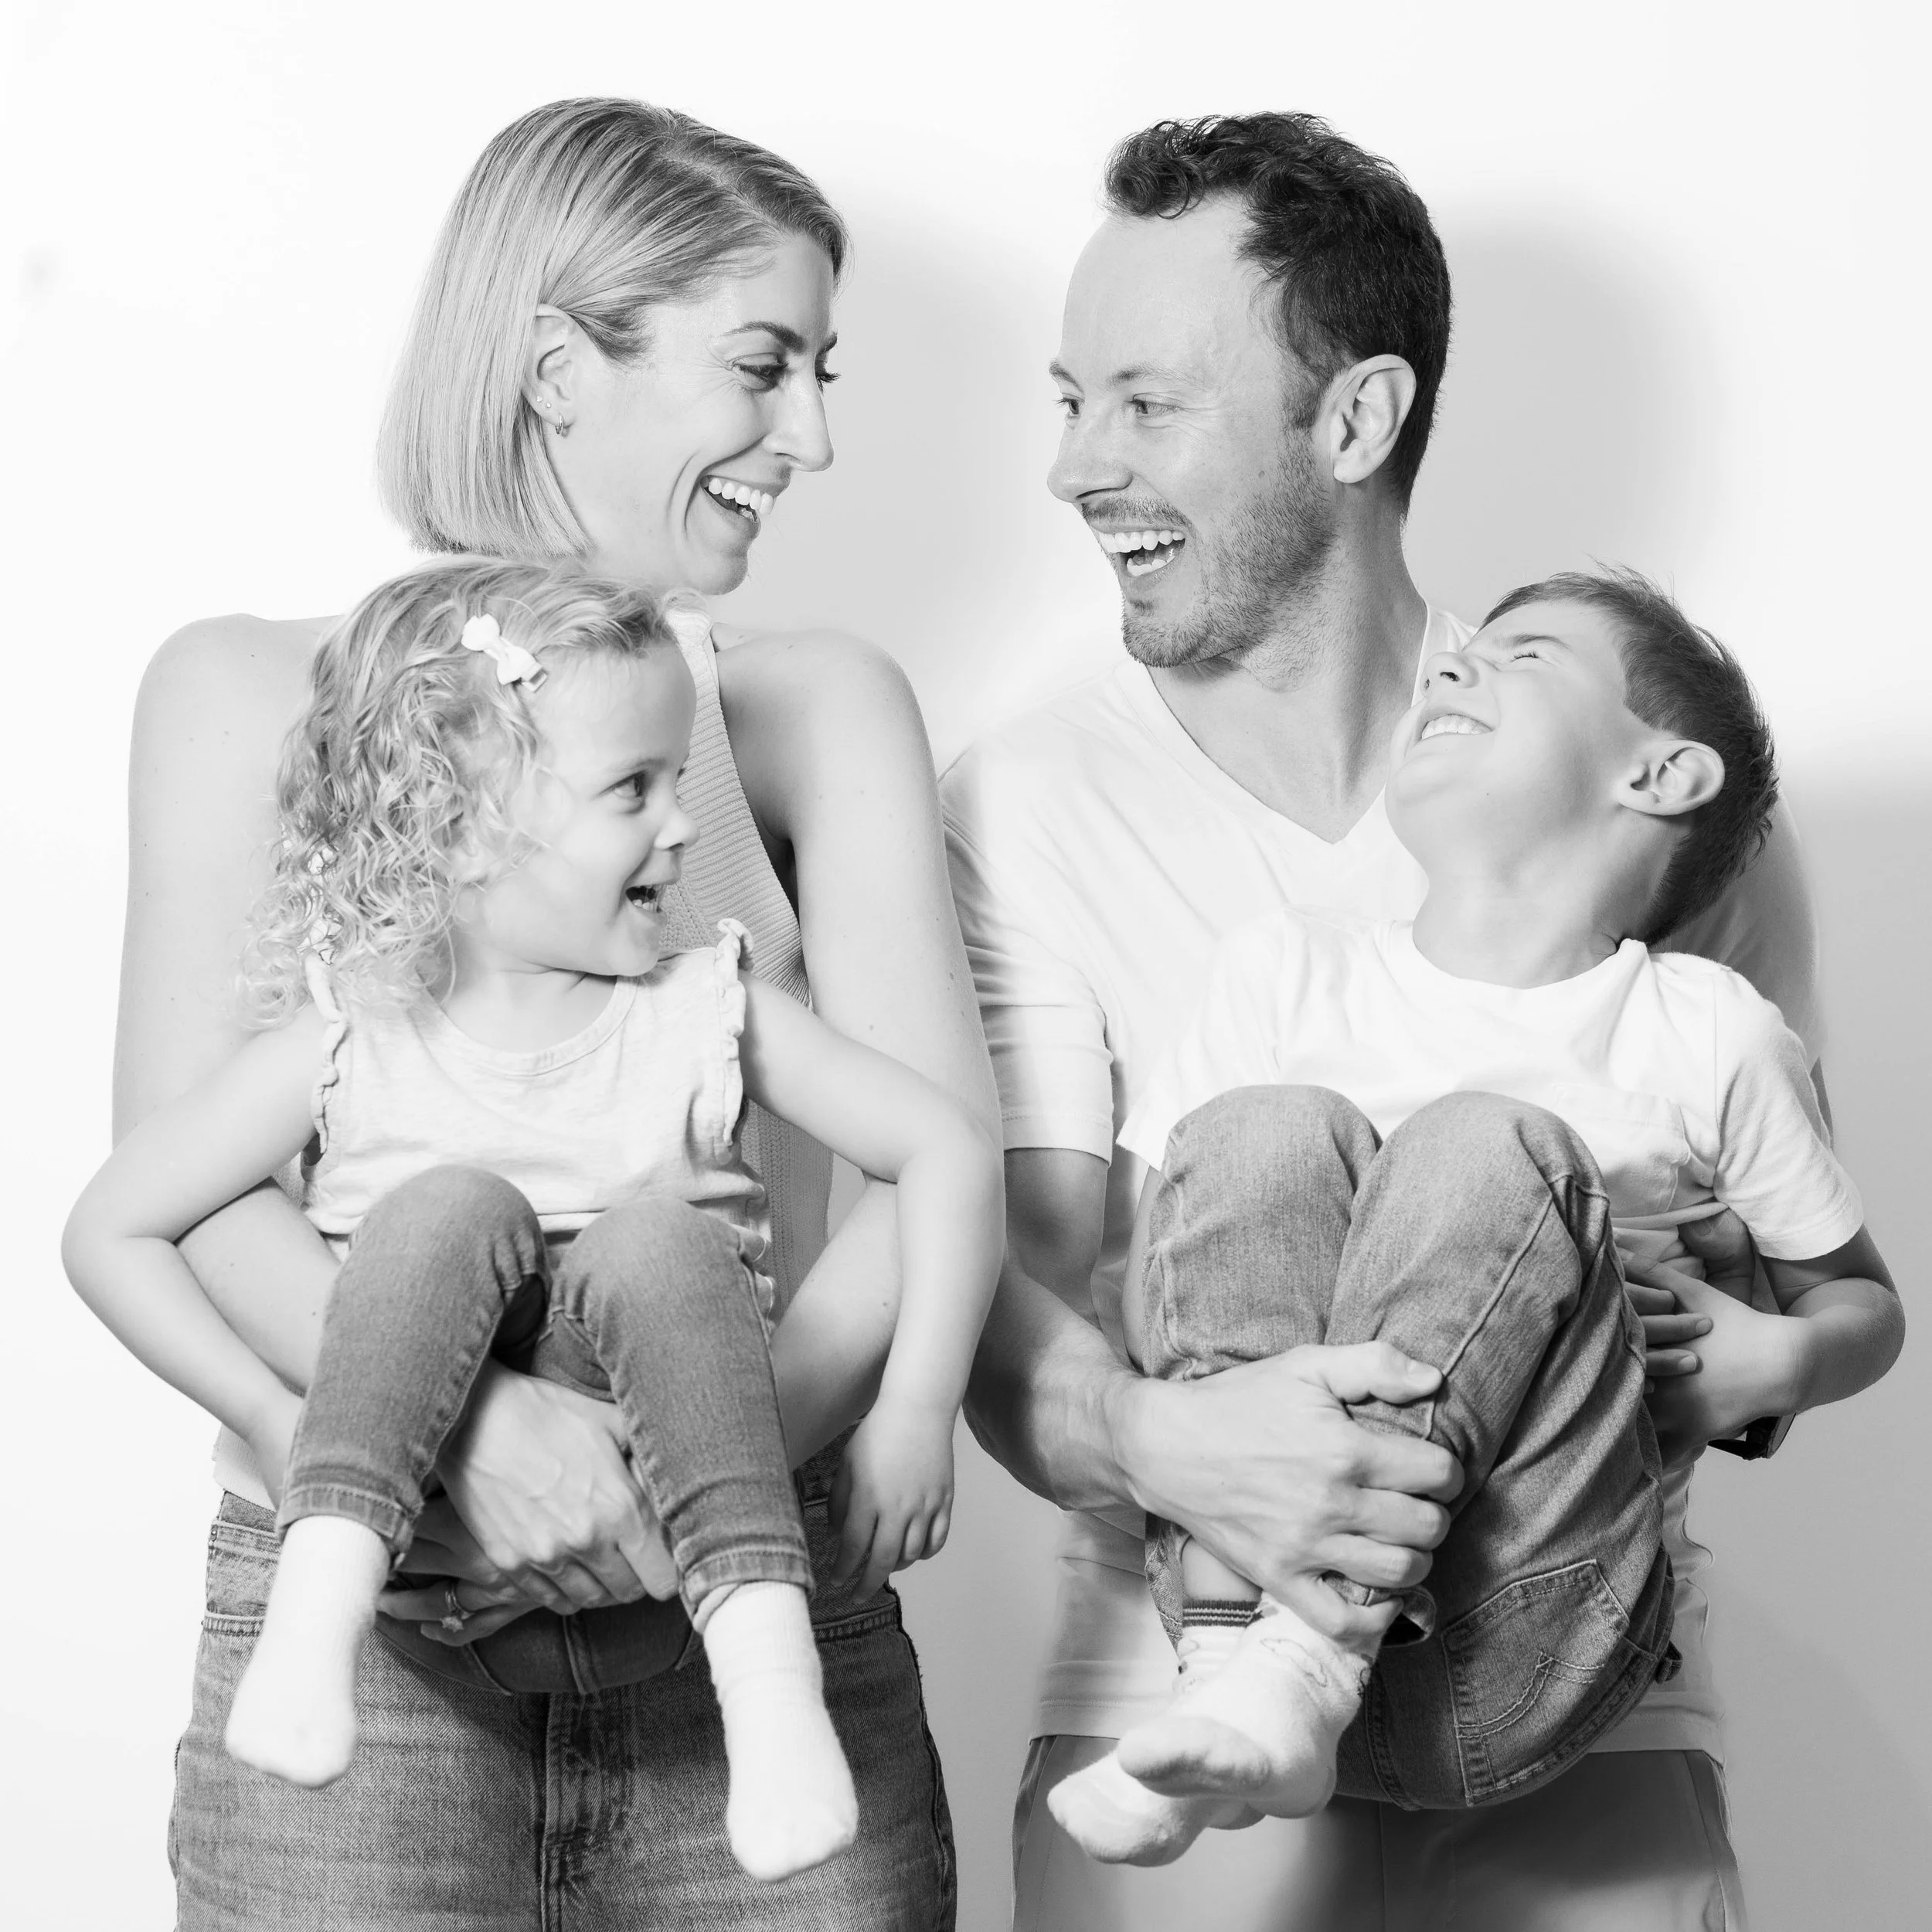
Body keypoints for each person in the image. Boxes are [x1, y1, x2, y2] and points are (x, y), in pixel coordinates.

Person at [944, 113, 1829, 1929]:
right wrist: (1178, 1441)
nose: (1075, 468)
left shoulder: (1648, 797)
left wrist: (1641, 1309)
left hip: (1592, 1722)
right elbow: (1022, 1291)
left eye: (1142, 402)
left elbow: (1763, 1311)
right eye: (1066, 400)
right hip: (1162, 1726)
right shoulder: (1023, 800)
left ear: (1353, 420)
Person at [120, 99, 994, 1928]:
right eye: (762, 366)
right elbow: (192, 1189)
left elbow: (922, 1166)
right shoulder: (240, 689)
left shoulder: (816, 706)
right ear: (552, 369)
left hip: (751, 1601)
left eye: (822, 374)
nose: (813, 437)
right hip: (366, 1636)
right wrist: (475, 1443)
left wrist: (675, 1471)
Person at [69, 560, 1003, 1883]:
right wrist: (288, 1429)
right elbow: (113, 1228)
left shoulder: (707, 1003)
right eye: (636, 791)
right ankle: (315, 1614)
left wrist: (915, 1409)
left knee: (659, 1243)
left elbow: (949, 1147)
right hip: (422, 1582)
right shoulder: (354, 1028)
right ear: (463, 825)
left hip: (681, 1532)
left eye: (678, 778)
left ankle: (771, 1685)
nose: (683, 829)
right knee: (447, 1213)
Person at [1040, 570, 1900, 1868]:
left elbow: (1863, 1304)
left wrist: (1773, 1362)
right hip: (1221, 1614)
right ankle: (1247, 1666)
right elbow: (1173, 1271)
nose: (1453, 666)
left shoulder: (1707, 1030)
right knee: (1259, 1130)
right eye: (1464, 654)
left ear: (1660, 776)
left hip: (1517, 1643)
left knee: (1485, 1142)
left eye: (1526, 656)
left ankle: (1305, 1656)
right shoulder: (1285, 968)